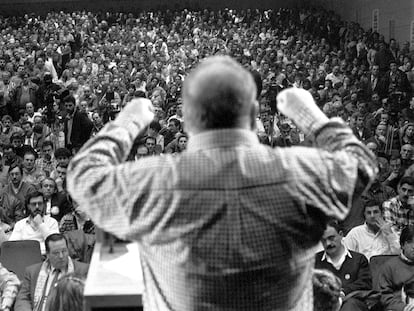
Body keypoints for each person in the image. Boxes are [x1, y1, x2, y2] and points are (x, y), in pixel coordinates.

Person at [67, 56, 376, 310]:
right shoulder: (300, 173)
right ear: (254, 113)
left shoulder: (153, 180)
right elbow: (362, 164)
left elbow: (83, 175)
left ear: (187, 118)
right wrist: (308, 115)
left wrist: (129, 121)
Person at [14, 233, 89, 311]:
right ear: (47, 254)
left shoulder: (83, 270)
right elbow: (23, 299)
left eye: (64, 251)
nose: (61, 256)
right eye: (56, 253)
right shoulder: (32, 272)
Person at [315, 220, 372, 311]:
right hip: (323, 305)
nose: (328, 243)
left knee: (351, 305)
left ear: (341, 235)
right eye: (323, 240)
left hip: (352, 304)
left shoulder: (358, 259)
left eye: (331, 238)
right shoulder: (315, 261)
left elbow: (365, 283)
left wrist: (343, 292)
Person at [377, 226, 414, 311]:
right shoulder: (389, 266)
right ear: (402, 245)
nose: (413, 246)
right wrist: (403, 308)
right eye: (409, 242)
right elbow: (384, 297)